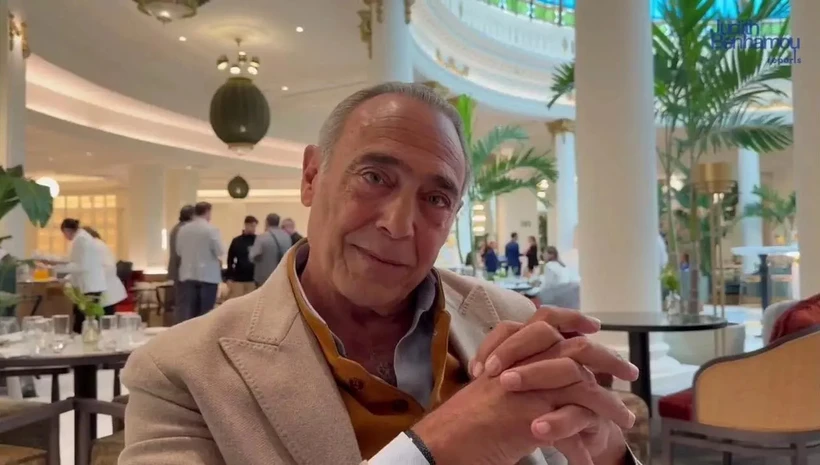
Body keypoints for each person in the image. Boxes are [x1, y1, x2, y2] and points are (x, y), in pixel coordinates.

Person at [120, 83, 641, 465]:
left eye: (435, 198)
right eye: (374, 177)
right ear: (311, 177)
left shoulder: (510, 318)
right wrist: (437, 448)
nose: (398, 224)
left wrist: (606, 453)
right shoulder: (182, 372)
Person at [175, 202, 224, 323]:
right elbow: (220, 251)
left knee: (190, 314)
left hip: (188, 275)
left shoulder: (183, 230)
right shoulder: (211, 230)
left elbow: (179, 251)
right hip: (208, 277)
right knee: (206, 315)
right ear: (207, 212)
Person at [60, 219, 106, 333]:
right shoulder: (83, 237)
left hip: (89, 286)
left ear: (67, 230)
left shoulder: (80, 239)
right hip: (91, 284)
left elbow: (80, 265)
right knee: (85, 318)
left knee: (83, 320)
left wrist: (57, 269)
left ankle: (84, 341)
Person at [83, 227, 127, 314]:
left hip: (105, 292)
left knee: (105, 319)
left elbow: (108, 268)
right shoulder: (93, 246)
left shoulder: (97, 245)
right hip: (101, 291)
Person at [249, 213, 292, 287]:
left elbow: (252, 256)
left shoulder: (262, 237)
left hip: (265, 279)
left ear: (266, 222)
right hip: (281, 277)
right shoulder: (287, 237)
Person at [167, 205, 194, 317]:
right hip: (184, 272)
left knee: (182, 302)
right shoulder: (184, 230)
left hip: (179, 271)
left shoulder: (177, 228)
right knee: (184, 304)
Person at [226, 216, 258, 299]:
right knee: (237, 300)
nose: (254, 229)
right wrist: (229, 276)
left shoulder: (257, 240)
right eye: (252, 226)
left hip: (252, 278)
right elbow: (230, 259)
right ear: (246, 225)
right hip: (238, 278)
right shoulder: (237, 241)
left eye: (255, 226)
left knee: (250, 301)